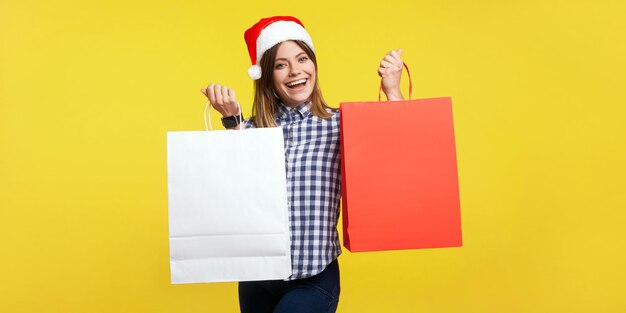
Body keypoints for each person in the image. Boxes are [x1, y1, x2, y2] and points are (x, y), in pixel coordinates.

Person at [201, 16, 404, 313]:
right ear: (266, 75)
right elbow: (233, 190)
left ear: (314, 65)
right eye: (281, 64)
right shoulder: (250, 131)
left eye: (302, 58)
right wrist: (231, 120)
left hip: (314, 275)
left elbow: (399, 150)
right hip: (256, 277)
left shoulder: (340, 124)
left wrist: (393, 92)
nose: (295, 71)